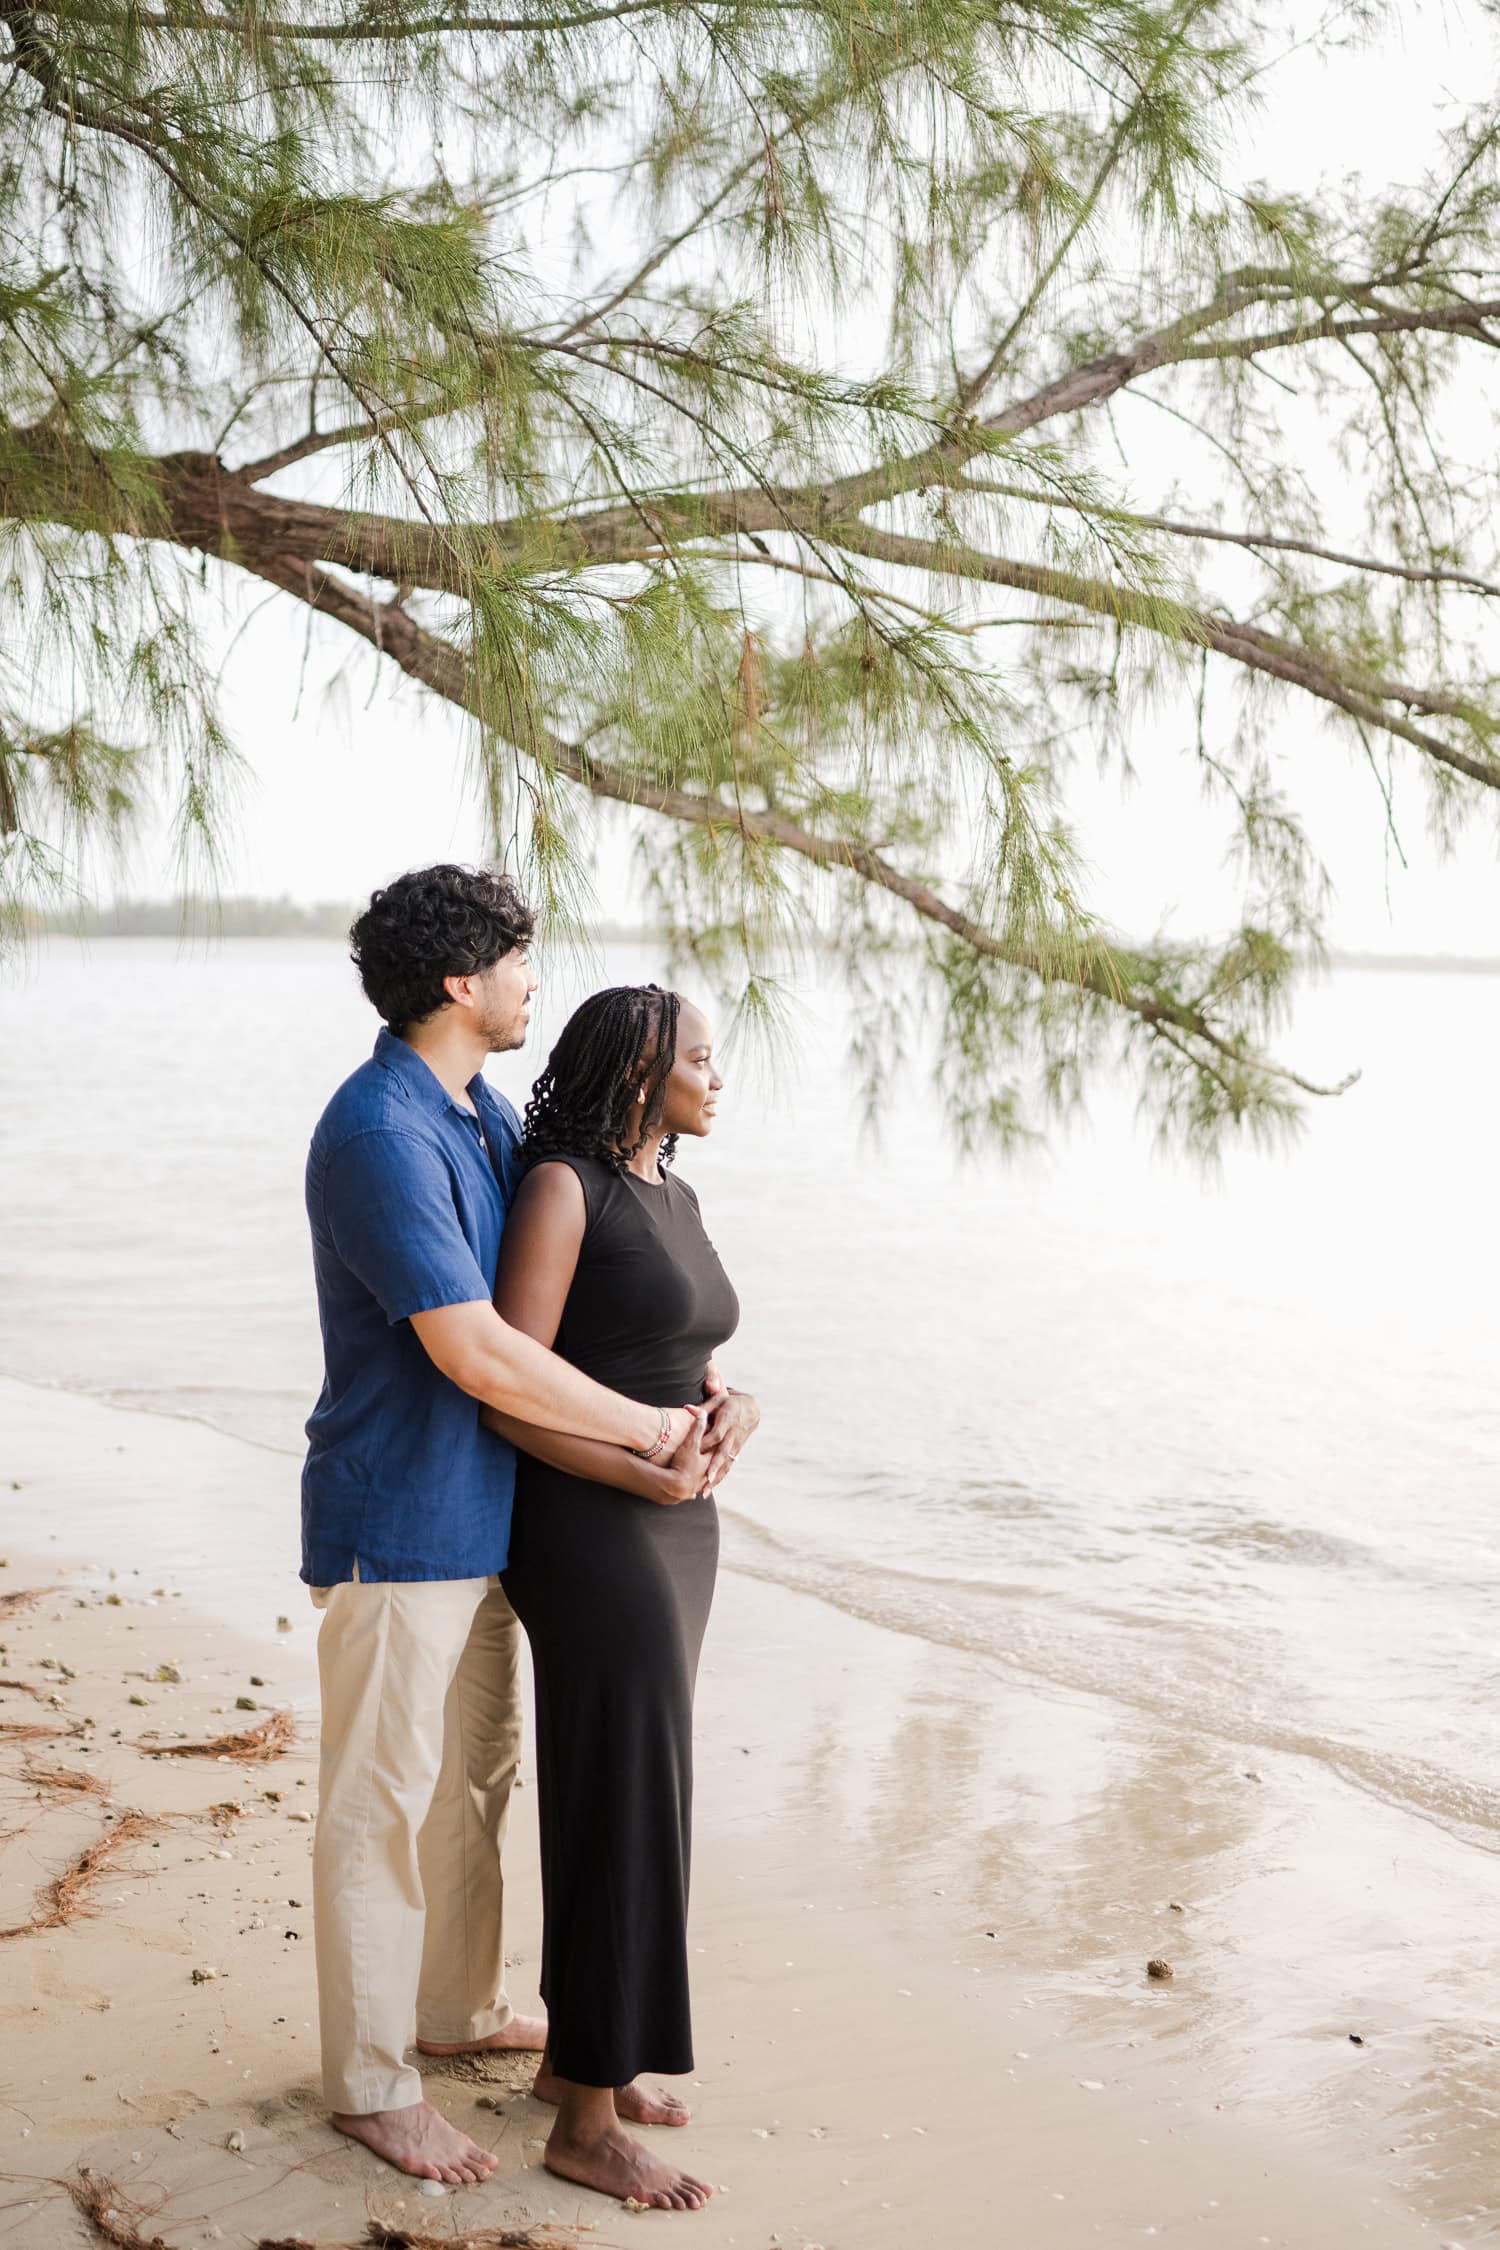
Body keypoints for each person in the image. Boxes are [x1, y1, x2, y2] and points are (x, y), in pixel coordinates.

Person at [301, 868, 714, 2188]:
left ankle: (458, 2009)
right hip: (398, 1513)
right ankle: (373, 2083)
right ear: (457, 983)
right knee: (378, 1804)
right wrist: (648, 1432)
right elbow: (477, 1349)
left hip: (491, 1514)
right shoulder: (381, 1131)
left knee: (471, 1787)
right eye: (518, 960)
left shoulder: (474, 1114)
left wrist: (692, 1395)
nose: (536, 979)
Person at [484, 983, 760, 2214]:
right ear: (642, 1073)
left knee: (642, 1793)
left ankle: (575, 2063)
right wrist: (639, 1480)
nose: (718, 1076)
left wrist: (733, 1403)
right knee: (621, 1803)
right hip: (593, 1529)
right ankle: (588, 2122)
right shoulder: (563, 1189)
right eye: (700, 1059)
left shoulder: (673, 1189)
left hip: (673, 1526)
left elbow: (677, 1350)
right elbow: (511, 1393)